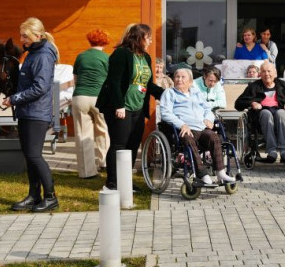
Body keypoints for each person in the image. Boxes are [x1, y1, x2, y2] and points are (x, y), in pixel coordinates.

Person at [96, 23, 164, 191]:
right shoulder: (121, 54)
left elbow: (147, 84)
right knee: (119, 144)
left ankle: (125, 180)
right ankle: (112, 182)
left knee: (133, 144)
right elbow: (114, 82)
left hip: (138, 108)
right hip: (119, 107)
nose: (149, 41)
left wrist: (166, 94)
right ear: (138, 37)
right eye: (147, 37)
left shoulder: (146, 57)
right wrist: (119, 105)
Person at [6, 18, 60, 212]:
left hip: (36, 112)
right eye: (21, 35)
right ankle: (34, 195)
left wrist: (14, 98)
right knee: (30, 157)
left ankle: (51, 197)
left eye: (25, 36)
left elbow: (41, 87)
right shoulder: (34, 52)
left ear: (37, 35)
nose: (22, 39)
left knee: (34, 156)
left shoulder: (43, 55)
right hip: (28, 111)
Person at [157, 68, 236, 185]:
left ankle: (220, 173)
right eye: (177, 77)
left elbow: (207, 109)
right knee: (188, 140)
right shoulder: (169, 93)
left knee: (214, 137)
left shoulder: (196, 93)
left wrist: (209, 119)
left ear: (190, 82)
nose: (179, 79)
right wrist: (181, 124)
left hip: (200, 127)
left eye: (183, 77)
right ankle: (202, 174)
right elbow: (165, 113)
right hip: (183, 129)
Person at [234, 62, 285, 162]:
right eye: (263, 71)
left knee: (281, 112)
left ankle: (283, 151)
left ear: (275, 73)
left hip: (280, 115)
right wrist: (253, 103)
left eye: (269, 71)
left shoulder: (282, 85)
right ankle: (271, 151)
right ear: (260, 74)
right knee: (266, 113)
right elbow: (238, 103)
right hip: (261, 117)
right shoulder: (254, 86)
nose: (266, 74)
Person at [71, 29, 110, 179]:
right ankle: (105, 163)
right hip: (100, 97)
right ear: (105, 42)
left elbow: (75, 79)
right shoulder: (106, 58)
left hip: (80, 97)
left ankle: (87, 172)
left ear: (90, 40)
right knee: (103, 129)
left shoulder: (81, 56)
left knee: (82, 134)